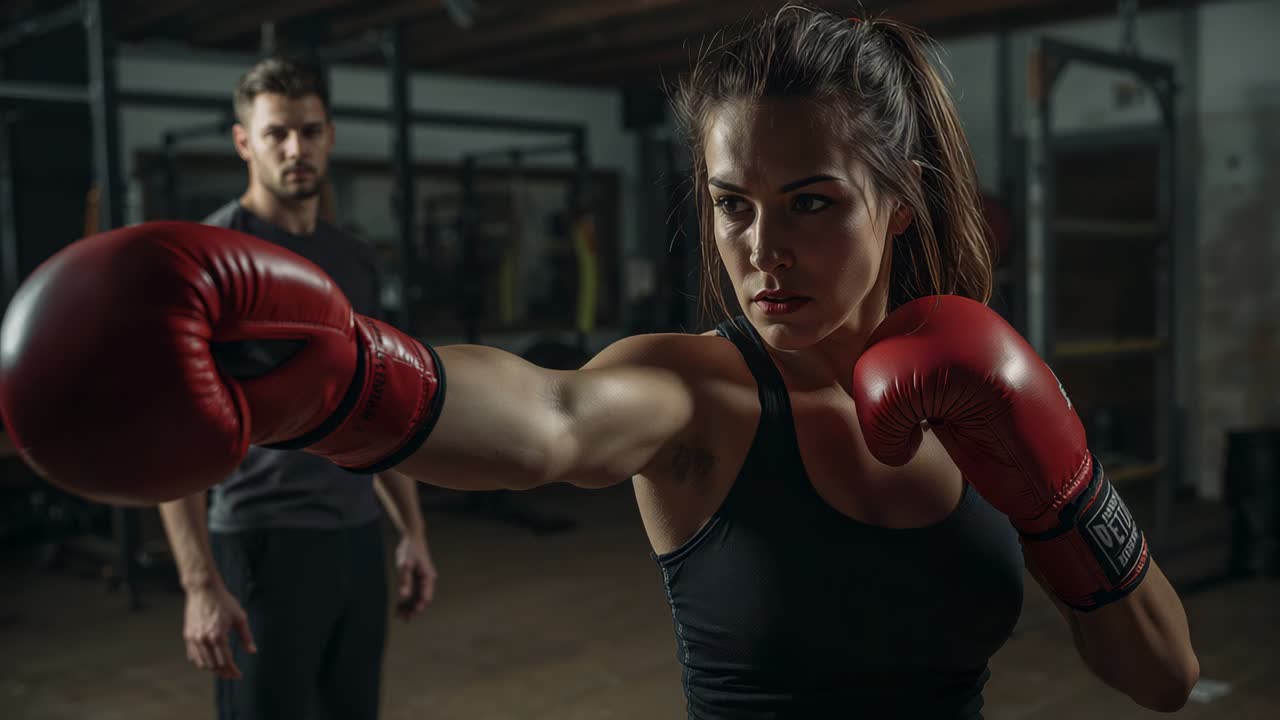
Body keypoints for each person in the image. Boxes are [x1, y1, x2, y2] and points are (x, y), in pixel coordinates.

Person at [0, 7, 1197, 718]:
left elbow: (1158, 673)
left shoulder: (983, 389)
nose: (759, 249)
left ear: (900, 204)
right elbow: (549, 421)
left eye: (811, 202)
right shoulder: (692, 394)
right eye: (731, 205)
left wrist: (1059, 496)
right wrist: (335, 378)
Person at [155, 56, 438, 720]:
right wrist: (199, 582)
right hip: (261, 540)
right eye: (277, 132)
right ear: (243, 141)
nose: (295, 149)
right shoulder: (212, 258)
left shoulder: (357, 261)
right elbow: (173, 433)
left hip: (357, 535)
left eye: (309, 131)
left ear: (330, 136)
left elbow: (382, 406)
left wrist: (414, 532)